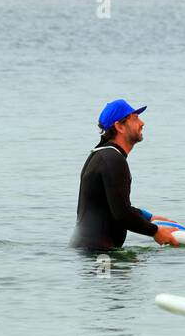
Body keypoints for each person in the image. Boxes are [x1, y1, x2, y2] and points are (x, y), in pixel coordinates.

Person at [70, 98, 177, 251]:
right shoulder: (112, 160)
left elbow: (115, 206)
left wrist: (149, 217)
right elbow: (122, 215)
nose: (142, 123)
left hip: (92, 254)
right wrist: (155, 231)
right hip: (99, 256)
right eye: (135, 118)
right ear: (119, 126)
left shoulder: (102, 155)